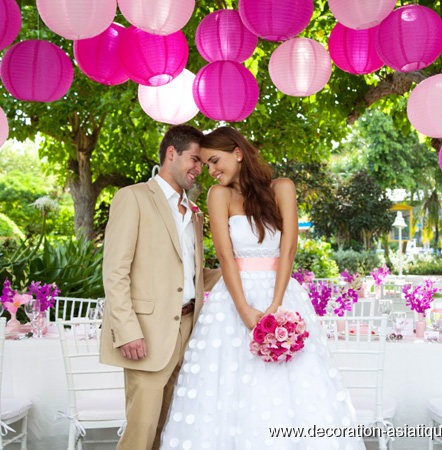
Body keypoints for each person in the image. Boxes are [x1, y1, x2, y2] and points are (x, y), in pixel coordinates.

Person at [159, 127, 365, 449]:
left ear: (238, 153)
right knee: (231, 386)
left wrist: (278, 305)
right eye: (206, 164)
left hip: (281, 294)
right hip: (233, 301)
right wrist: (243, 310)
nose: (211, 171)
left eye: (215, 161)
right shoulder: (219, 195)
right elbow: (225, 256)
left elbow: (288, 249)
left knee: (291, 385)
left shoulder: (282, 188)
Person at [100, 124, 221, 450]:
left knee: (168, 432)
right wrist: (127, 331)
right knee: (140, 434)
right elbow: (114, 272)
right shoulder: (133, 198)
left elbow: (193, 275)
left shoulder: (194, 212)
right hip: (146, 334)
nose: (200, 169)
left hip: (188, 331)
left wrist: (242, 269)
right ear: (171, 153)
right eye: (195, 160)